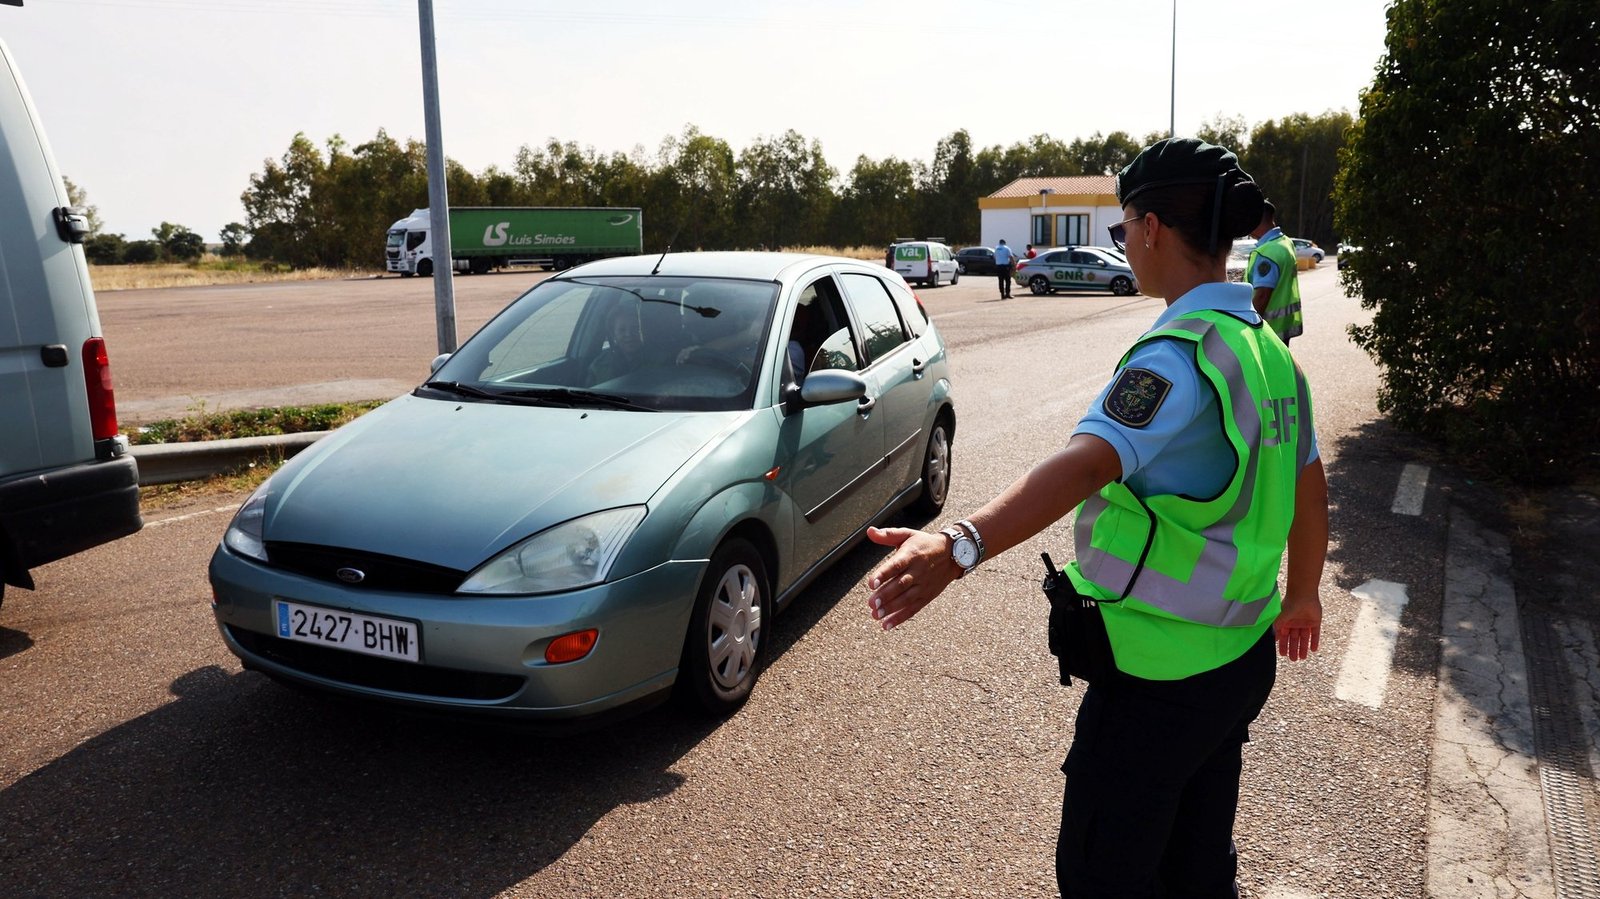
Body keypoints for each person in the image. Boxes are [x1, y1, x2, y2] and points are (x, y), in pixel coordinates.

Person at [862, 137, 1328, 898]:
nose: (1125, 245)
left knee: (1102, 875)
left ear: (1149, 229)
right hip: (1241, 660)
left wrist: (959, 542)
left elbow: (1083, 463)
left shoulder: (1177, 357)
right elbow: (1310, 488)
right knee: (1200, 862)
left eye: (1122, 229)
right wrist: (1303, 592)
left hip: (1157, 682)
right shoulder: (1270, 351)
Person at [1246, 201, 1304, 345]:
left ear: (1257, 220)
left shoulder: (1268, 253)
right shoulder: (1285, 242)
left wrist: (1248, 328)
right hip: (1283, 326)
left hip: (1266, 331)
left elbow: (1262, 296)